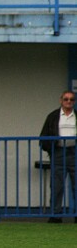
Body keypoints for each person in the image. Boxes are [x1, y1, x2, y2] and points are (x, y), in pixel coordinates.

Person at [39, 90, 76, 223]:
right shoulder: (53, 116)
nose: (68, 102)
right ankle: (55, 215)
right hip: (59, 153)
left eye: (71, 99)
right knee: (56, 186)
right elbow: (44, 135)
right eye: (66, 99)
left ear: (74, 102)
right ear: (61, 100)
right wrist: (52, 149)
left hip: (74, 152)